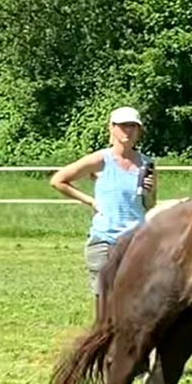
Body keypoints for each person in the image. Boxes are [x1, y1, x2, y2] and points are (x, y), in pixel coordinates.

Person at [50, 106, 157, 298]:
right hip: (105, 242)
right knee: (107, 304)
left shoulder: (146, 164)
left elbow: (149, 205)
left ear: (139, 131)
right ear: (112, 128)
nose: (128, 131)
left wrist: (149, 192)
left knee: (135, 304)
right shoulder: (101, 160)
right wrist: (91, 201)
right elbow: (58, 180)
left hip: (137, 244)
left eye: (133, 126)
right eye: (123, 126)